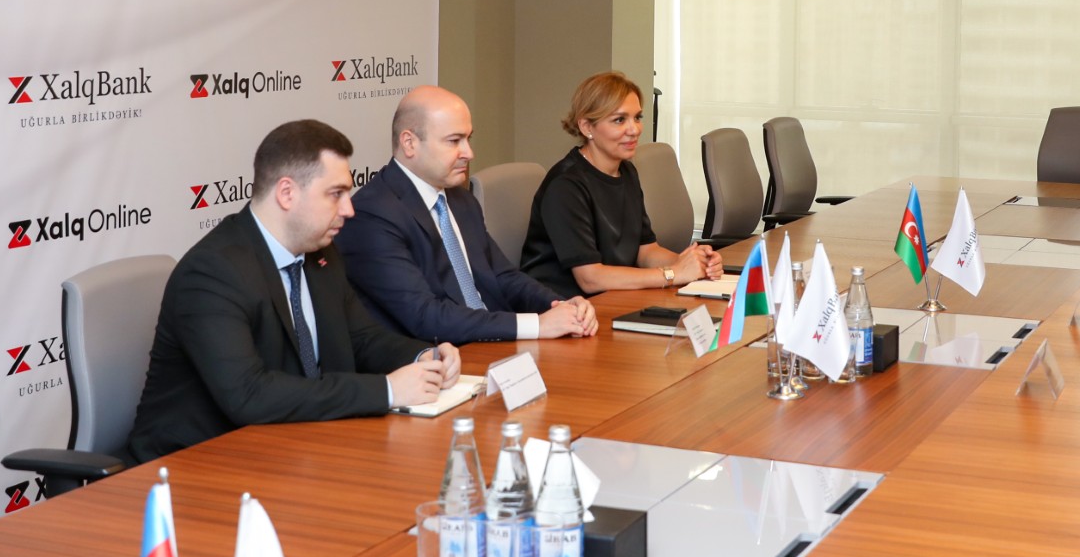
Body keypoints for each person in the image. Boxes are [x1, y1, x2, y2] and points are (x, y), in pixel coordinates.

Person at [128, 119, 460, 463]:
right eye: (335, 194)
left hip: (290, 445)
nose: (349, 209)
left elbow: (362, 338)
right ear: (287, 193)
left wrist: (424, 357)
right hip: (194, 464)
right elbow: (249, 394)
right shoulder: (212, 272)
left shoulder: (320, 253)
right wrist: (388, 390)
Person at [339, 86, 599, 343]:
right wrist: (537, 325)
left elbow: (502, 276)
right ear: (410, 143)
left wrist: (561, 306)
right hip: (438, 356)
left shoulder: (460, 199)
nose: (468, 153)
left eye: (468, 139)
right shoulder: (371, 216)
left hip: (492, 341)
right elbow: (425, 316)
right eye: (454, 141)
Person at [520, 71, 724, 297]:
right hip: (563, 305)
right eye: (619, 120)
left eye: (637, 118)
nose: (634, 129)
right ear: (587, 127)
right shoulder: (566, 185)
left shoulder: (626, 171)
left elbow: (645, 251)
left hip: (610, 296)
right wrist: (674, 273)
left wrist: (692, 263)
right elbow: (591, 278)